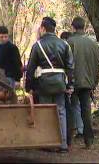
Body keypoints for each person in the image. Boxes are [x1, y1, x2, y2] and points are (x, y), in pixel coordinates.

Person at [25, 17, 74, 153]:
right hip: (59, 82)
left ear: (43, 29)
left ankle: (48, 143)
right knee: (61, 111)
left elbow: (30, 68)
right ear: (54, 29)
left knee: (45, 111)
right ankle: (63, 144)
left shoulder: (38, 45)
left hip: (44, 83)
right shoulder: (64, 45)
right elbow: (70, 67)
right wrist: (70, 85)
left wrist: (28, 87)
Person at [67, 16, 99, 149]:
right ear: (85, 27)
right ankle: (89, 140)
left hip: (73, 83)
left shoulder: (69, 42)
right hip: (88, 83)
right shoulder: (93, 43)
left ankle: (68, 140)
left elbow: (66, 64)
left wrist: (67, 82)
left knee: (70, 110)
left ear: (73, 27)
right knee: (86, 112)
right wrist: (95, 82)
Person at [60, 31, 84, 149]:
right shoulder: (80, 47)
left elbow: (68, 68)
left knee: (69, 108)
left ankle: (73, 131)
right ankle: (80, 129)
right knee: (77, 106)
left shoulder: (64, 48)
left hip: (69, 82)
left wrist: (69, 85)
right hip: (81, 81)